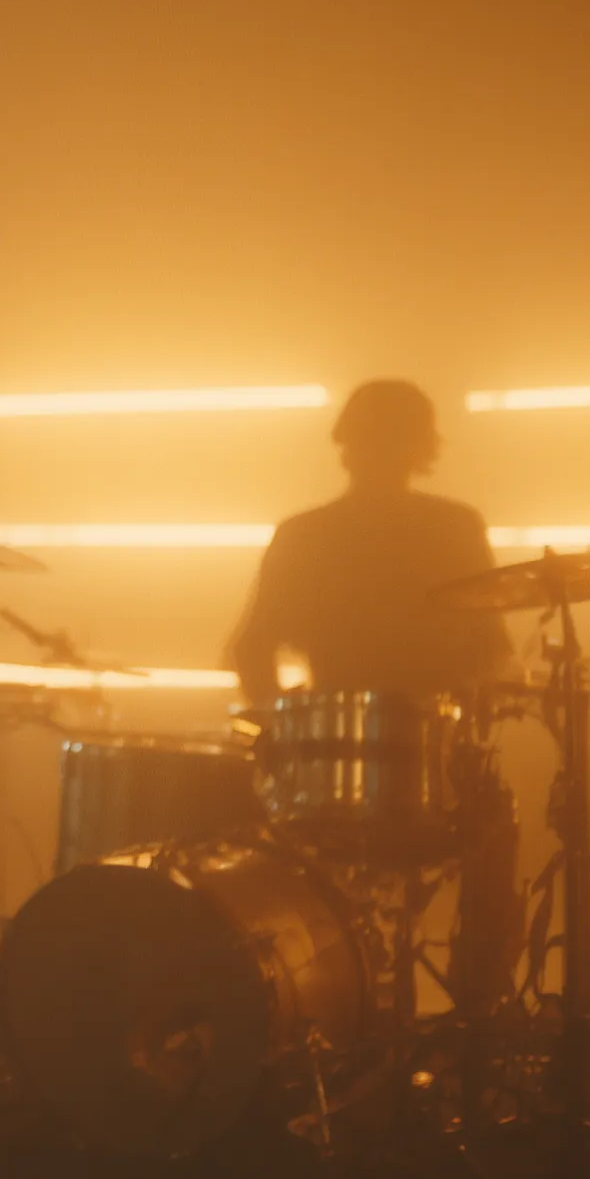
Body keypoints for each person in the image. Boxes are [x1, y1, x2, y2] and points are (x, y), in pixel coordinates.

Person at [228, 378, 519, 1012]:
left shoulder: (303, 533)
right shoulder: (453, 526)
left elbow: (250, 649)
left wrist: (285, 734)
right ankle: (482, 1014)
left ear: (344, 445)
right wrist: (472, 711)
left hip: (325, 775)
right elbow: (493, 648)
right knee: (496, 826)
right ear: (426, 449)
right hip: (430, 765)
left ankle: (323, 999)